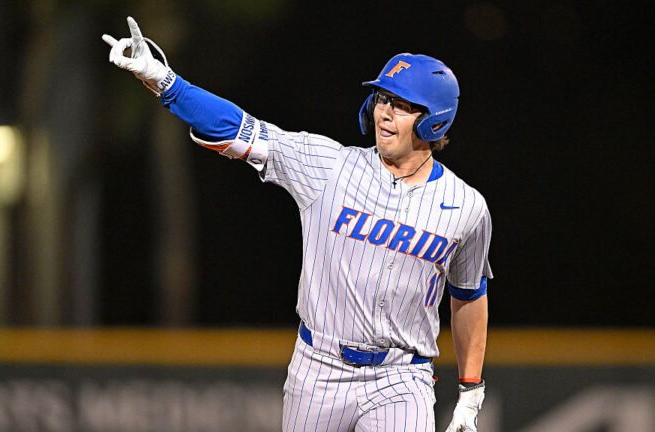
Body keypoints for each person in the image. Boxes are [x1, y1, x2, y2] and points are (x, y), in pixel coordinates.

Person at [103, 16, 493, 432]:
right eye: (382, 99)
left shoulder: (466, 207)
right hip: (319, 369)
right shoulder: (327, 166)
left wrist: (470, 391)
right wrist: (164, 80)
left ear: (435, 120)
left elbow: (468, 295)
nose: (385, 113)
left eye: (402, 105)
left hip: (400, 376)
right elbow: (239, 127)